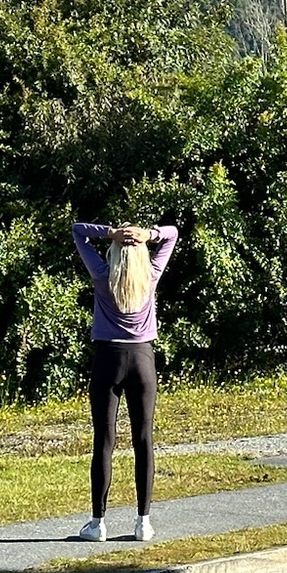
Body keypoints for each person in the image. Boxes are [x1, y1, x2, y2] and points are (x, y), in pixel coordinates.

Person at [71, 219, 178, 542]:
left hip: (108, 359)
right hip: (142, 360)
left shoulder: (103, 277)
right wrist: (150, 234)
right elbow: (172, 234)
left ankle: (97, 523)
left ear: (115, 252)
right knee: (143, 440)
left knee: (104, 440)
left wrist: (109, 233)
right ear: (142, 253)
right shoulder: (151, 276)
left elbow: (78, 231)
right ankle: (143, 521)